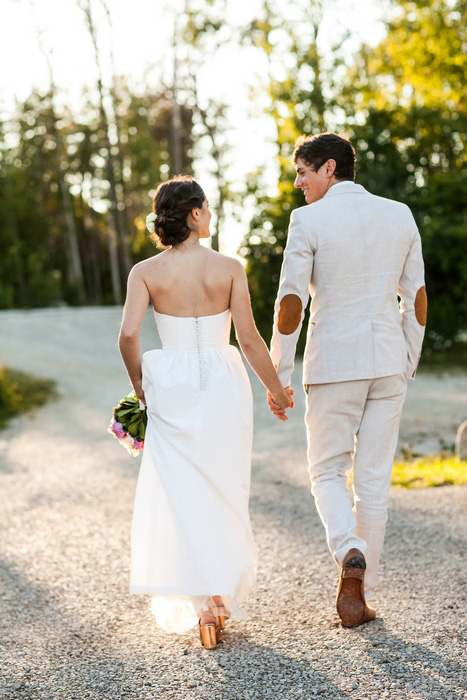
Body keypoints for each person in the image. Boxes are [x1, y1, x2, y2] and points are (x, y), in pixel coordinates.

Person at [118, 175, 292, 649]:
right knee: (223, 487)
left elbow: (129, 335)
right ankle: (218, 597)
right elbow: (250, 339)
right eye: (208, 208)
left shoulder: (145, 272)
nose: (211, 215)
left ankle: (203, 606)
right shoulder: (229, 267)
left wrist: (140, 386)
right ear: (194, 213)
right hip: (222, 383)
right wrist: (275, 391)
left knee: (181, 491)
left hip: (169, 384)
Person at [268, 132, 426, 627]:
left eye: (303, 172)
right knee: (374, 481)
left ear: (330, 168)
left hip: (334, 364)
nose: (298, 184)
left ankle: (348, 549)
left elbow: (290, 304)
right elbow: (417, 297)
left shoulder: (308, 221)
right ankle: (360, 591)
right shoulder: (398, 214)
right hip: (387, 362)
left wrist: (280, 376)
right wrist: (408, 361)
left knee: (327, 472)